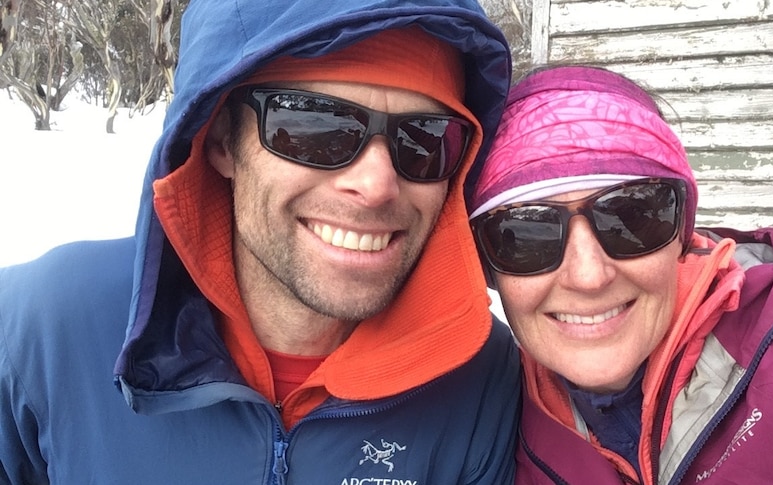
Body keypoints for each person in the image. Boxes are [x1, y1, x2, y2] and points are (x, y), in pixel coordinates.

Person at [0, 1, 521, 483]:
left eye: (425, 140)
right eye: (315, 126)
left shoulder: (481, 380)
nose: (377, 184)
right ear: (223, 140)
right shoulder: (43, 330)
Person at [467, 65, 773, 484]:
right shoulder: (491, 417)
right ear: (489, 265)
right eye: (526, 235)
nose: (589, 276)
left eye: (631, 217)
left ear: (681, 233)